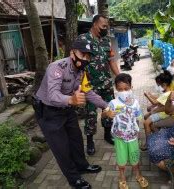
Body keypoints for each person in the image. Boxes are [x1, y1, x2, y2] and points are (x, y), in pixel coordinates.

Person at [33, 39, 114, 189]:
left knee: (76, 140)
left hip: (67, 110)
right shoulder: (57, 68)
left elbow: (87, 92)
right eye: (82, 54)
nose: (85, 59)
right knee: (61, 148)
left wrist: (107, 106)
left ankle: (82, 166)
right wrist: (71, 99)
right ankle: (74, 178)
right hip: (49, 112)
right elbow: (52, 95)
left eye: (88, 56)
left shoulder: (81, 71)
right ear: (72, 53)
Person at [77, 14, 120, 155]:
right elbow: (78, 63)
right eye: (103, 26)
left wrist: (120, 77)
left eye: (106, 26)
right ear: (95, 24)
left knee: (108, 110)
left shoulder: (106, 41)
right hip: (90, 86)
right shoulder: (83, 39)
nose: (105, 28)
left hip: (106, 83)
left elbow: (111, 61)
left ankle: (107, 134)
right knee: (90, 114)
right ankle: (89, 140)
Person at [107, 73, 149, 189]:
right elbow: (105, 113)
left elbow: (139, 117)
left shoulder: (135, 103)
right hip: (119, 137)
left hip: (133, 137)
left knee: (135, 157)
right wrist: (107, 113)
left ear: (131, 87)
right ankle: (122, 177)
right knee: (121, 159)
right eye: (120, 89)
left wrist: (140, 126)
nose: (123, 91)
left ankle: (138, 175)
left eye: (126, 88)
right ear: (116, 89)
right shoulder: (113, 103)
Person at [146, 56, 174, 130]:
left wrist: (156, 109)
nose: (169, 66)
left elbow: (173, 104)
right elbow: (165, 98)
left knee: (152, 124)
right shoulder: (173, 81)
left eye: (172, 65)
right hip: (170, 111)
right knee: (149, 111)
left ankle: (157, 140)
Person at [140, 70, 174, 151]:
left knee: (146, 123)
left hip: (164, 113)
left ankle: (149, 143)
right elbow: (159, 99)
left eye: (159, 85)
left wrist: (147, 96)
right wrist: (151, 95)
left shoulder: (167, 93)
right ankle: (154, 137)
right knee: (147, 120)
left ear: (164, 85)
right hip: (162, 111)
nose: (158, 87)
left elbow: (155, 102)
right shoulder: (167, 91)